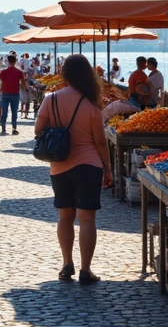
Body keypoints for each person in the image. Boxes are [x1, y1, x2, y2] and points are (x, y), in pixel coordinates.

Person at [34, 54, 113, 285]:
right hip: (89, 165)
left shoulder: (51, 99)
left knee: (65, 216)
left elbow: (38, 130)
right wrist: (108, 168)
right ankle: (86, 270)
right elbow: (100, 141)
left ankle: (67, 263)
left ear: (65, 74)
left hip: (60, 166)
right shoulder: (92, 104)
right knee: (87, 219)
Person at [0, 54, 25, 135]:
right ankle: (14, 128)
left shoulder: (3, 72)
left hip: (5, 93)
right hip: (15, 93)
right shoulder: (19, 72)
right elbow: (23, 83)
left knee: (4, 111)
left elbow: (2, 81)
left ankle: (3, 127)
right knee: (14, 112)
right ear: (15, 61)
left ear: (8, 61)